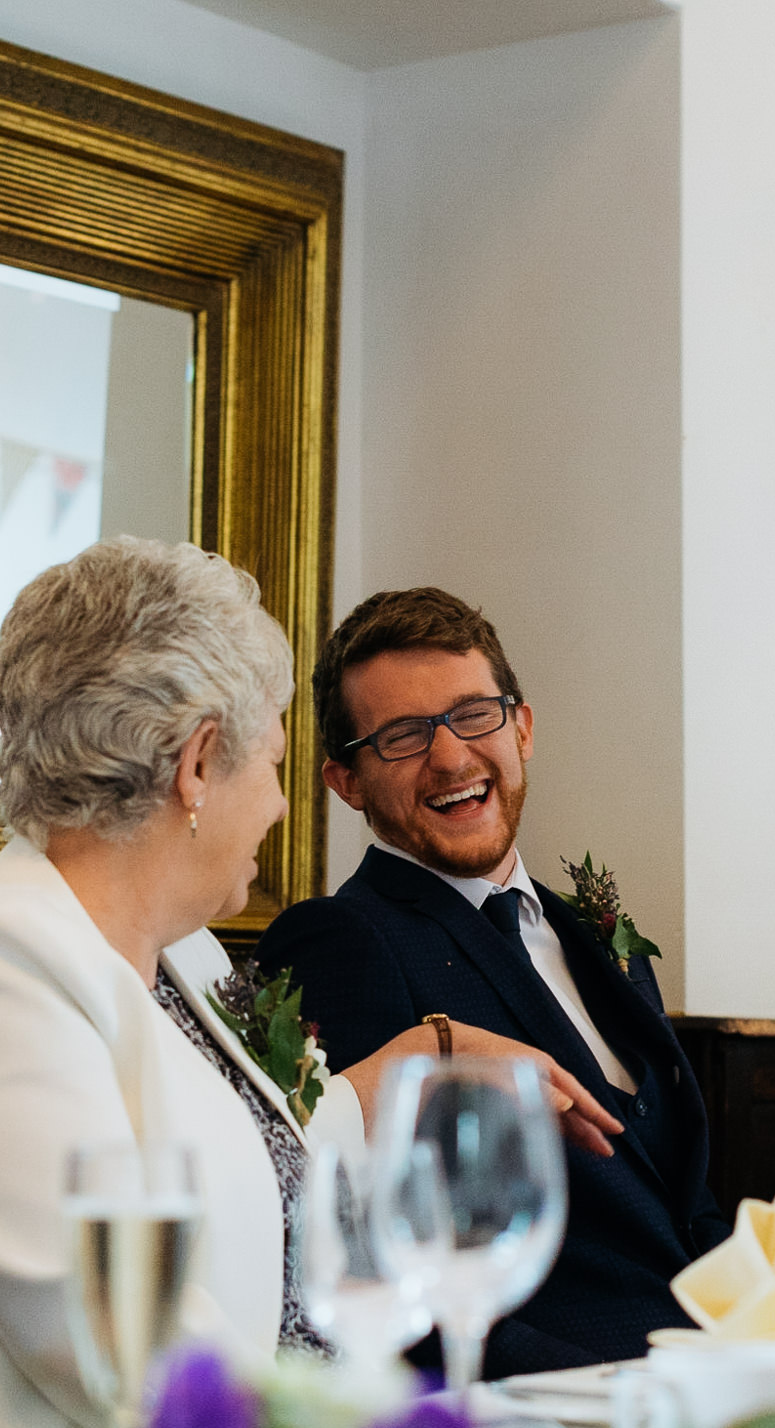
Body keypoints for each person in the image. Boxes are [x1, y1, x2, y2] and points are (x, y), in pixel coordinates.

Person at [0, 542, 546, 1428]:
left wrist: (429, 1056)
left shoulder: (185, 954)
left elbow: (291, 1151)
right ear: (198, 764)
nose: (277, 805)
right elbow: (131, 1346)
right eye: (269, 764)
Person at [253, 587, 725, 1378]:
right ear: (345, 780)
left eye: (475, 714)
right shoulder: (341, 941)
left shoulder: (603, 939)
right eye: (402, 736)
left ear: (522, 727)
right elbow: (391, 1263)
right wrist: (595, 1397)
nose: (450, 756)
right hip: (548, 1417)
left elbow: (685, 1202)